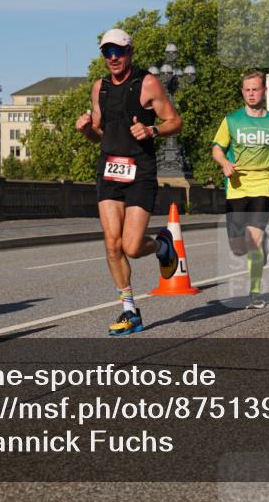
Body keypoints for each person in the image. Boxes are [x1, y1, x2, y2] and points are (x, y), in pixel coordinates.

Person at [75, 29, 181, 336]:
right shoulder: (100, 88)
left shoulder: (147, 83)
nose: (113, 58)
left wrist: (152, 132)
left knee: (132, 247)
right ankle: (129, 310)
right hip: (109, 169)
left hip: (141, 170)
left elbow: (175, 122)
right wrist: (85, 130)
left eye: (118, 52)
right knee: (112, 244)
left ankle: (162, 246)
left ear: (129, 52)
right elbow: (99, 133)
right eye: (107, 53)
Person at [212, 71, 269, 309]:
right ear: (242, 92)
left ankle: (255, 293)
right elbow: (217, 149)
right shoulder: (231, 120)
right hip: (236, 185)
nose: (251, 93)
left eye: (256, 89)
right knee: (238, 247)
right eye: (247, 89)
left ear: (264, 91)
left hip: (263, 182)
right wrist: (224, 163)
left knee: (254, 241)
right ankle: (260, 245)